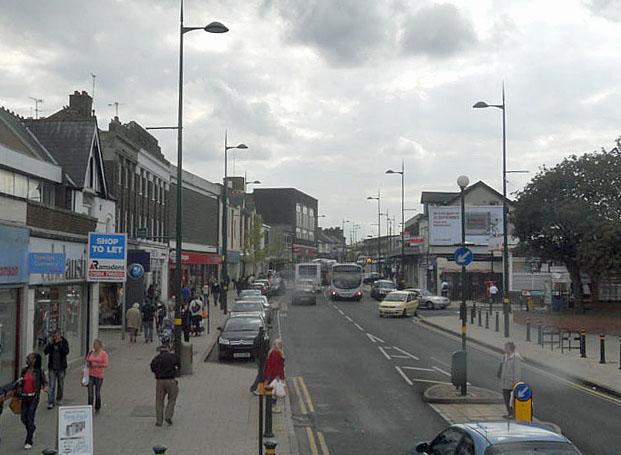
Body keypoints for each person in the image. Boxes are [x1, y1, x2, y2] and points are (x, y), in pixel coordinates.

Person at [18, 353, 48, 449]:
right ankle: (32, 429)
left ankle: (29, 440)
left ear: (34, 360)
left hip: (33, 397)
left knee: (30, 417)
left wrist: (46, 387)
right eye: (27, 358)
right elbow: (22, 382)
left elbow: (44, 382)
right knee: (23, 417)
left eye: (29, 358)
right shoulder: (24, 370)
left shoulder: (38, 371)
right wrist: (19, 385)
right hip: (24, 396)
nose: (27, 359)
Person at [150, 341, 179, 427]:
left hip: (160, 381)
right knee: (172, 399)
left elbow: (152, 367)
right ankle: (168, 415)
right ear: (168, 348)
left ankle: (159, 421)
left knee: (159, 401)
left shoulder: (156, 358)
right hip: (171, 380)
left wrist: (157, 373)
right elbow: (178, 365)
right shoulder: (172, 357)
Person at [43, 331, 69, 409]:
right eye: (54, 336)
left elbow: (66, 352)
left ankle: (59, 398)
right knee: (51, 385)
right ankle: (51, 402)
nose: (56, 338)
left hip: (61, 367)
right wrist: (51, 345)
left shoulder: (64, 342)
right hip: (52, 367)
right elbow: (45, 352)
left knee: (60, 384)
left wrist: (60, 345)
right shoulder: (52, 343)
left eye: (57, 336)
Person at [499, 341, 522, 418]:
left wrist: (516, 385)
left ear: (511, 349)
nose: (505, 349)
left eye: (506, 348)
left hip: (511, 383)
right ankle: (509, 413)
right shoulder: (505, 356)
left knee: (511, 400)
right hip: (505, 382)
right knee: (506, 399)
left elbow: (517, 372)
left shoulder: (516, 358)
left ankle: (513, 414)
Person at [86, 339, 109, 413]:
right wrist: (89, 365)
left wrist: (97, 365)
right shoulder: (91, 352)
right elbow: (87, 361)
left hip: (99, 375)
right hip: (90, 374)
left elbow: (106, 364)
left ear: (99, 345)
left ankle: (97, 407)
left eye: (95, 344)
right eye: (93, 344)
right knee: (90, 393)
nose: (94, 346)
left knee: (97, 392)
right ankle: (89, 407)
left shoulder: (103, 353)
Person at [263, 338, 285, 413]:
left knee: (273, 392)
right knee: (274, 392)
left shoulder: (273, 352)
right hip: (274, 376)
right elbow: (275, 366)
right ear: (277, 345)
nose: (282, 345)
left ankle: (272, 406)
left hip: (271, 375)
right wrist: (277, 376)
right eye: (280, 344)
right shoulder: (275, 353)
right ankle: (273, 407)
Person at [249, 328, 269, 395]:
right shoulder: (263, 340)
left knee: (261, 374)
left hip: (258, 359)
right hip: (262, 359)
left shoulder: (256, 338)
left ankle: (260, 389)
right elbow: (266, 349)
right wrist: (266, 340)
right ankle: (257, 389)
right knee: (261, 375)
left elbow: (253, 349)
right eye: (265, 332)